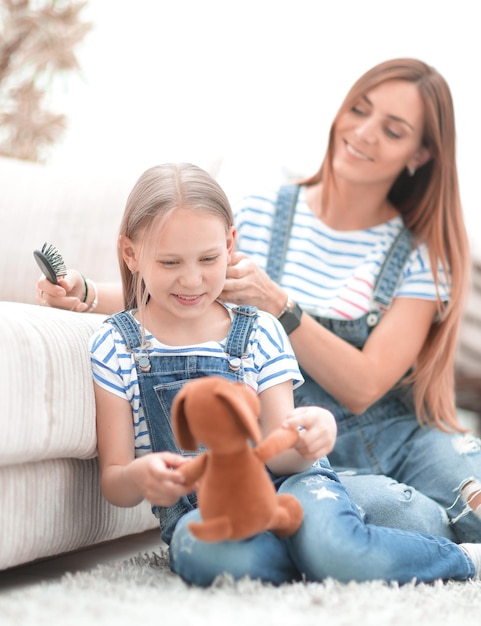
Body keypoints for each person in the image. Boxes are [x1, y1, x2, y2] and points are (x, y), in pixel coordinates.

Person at [36, 58, 481, 541]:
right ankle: (422, 523)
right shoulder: (264, 211)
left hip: (402, 439)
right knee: (394, 518)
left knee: (475, 504)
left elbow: (364, 385)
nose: (365, 132)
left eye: (393, 131)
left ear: (420, 155)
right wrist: (82, 293)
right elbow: (185, 290)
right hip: (297, 451)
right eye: (359, 109)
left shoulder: (423, 252)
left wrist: (280, 305)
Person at [87, 160, 480, 586]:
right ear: (131, 254)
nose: (192, 279)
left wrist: (315, 435)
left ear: (231, 242)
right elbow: (115, 481)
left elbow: (283, 456)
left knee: (333, 542)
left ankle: (460, 558)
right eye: (169, 263)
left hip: (295, 488)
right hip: (203, 512)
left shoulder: (259, 329)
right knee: (206, 559)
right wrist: (139, 478)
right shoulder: (114, 346)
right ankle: (323, 551)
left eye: (208, 258)